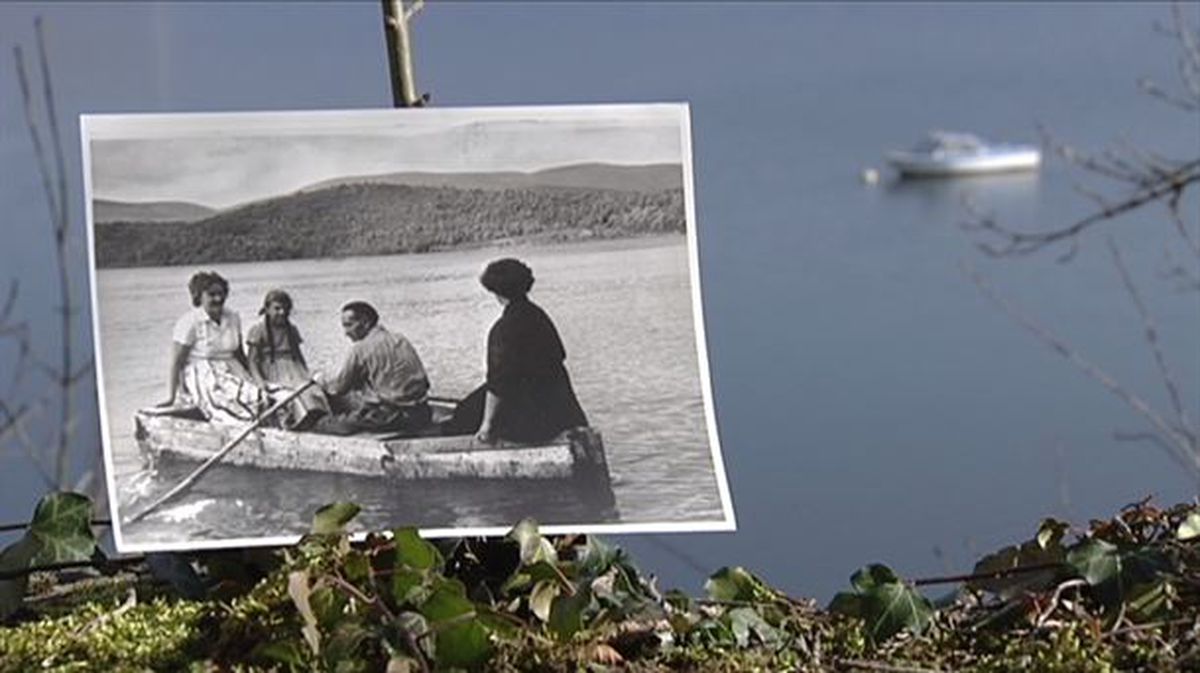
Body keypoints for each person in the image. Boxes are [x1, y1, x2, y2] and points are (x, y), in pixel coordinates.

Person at [447, 258, 588, 443]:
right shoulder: (539, 315)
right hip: (562, 408)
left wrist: (487, 426)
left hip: (533, 416)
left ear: (495, 291)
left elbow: (498, 383)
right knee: (470, 406)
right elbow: (559, 356)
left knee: (463, 415)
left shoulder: (503, 329)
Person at [161, 271, 269, 423]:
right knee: (225, 403)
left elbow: (238, 353)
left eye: (221, 294)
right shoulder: (189, 322)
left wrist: (254, 377)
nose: (218, 299)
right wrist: (174, 396)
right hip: (204, 373)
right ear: (199, 296)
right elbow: (177, 362)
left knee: (258, 396)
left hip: (232, 368)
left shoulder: (232, 317)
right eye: (212, 294)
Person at [312, 300, 432, 435]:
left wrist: (321, 383)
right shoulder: (400, 339)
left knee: (322, 424)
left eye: (349, 325)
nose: (346, 332)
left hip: (393, 418)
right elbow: (423, 382)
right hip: (423, 413)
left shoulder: (360, 348)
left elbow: (339, 389)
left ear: (365, 322)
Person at [245, 289, 330, 430]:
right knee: (290, 396)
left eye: (285, 309)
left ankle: (318, 420)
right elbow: (252, 361)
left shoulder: (291, 329)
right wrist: (259, 382)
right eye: (277, 309)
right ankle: (297, 424)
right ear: (266, 309)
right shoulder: (258, 330)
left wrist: (306, 374)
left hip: (293, 368)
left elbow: (298, 355)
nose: (282, 312)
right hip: (271, 370)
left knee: (312, 390)